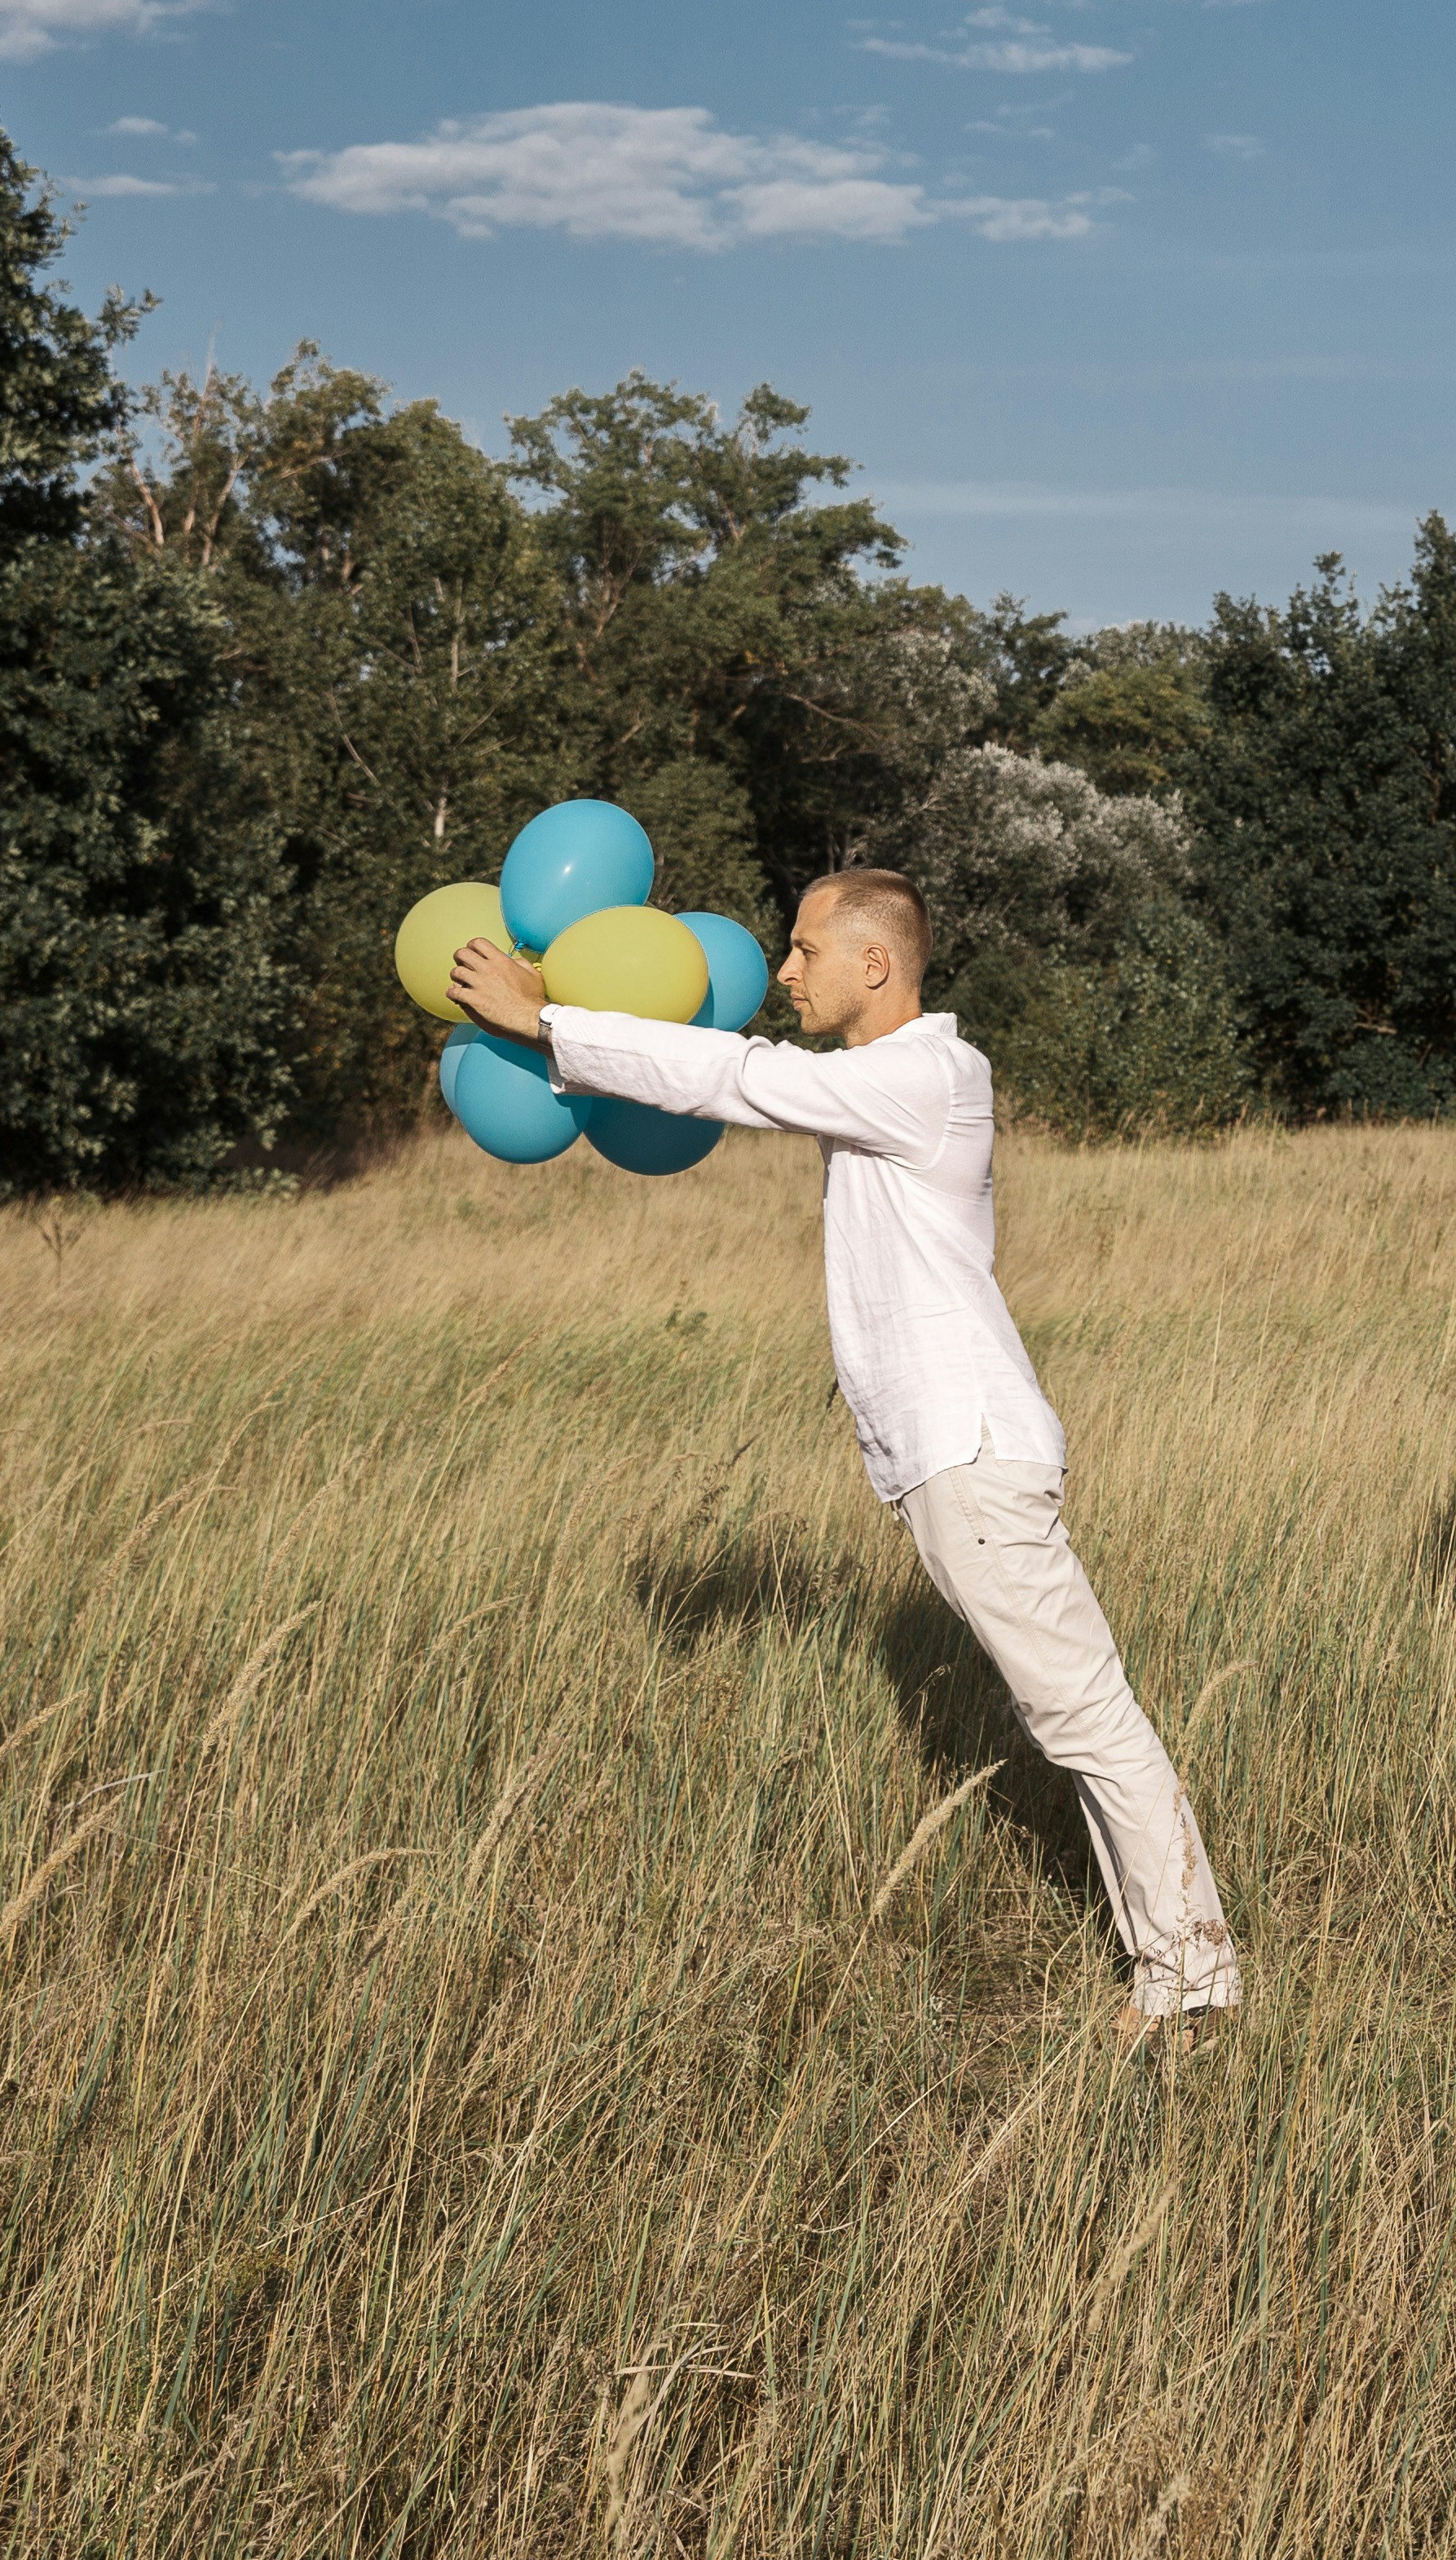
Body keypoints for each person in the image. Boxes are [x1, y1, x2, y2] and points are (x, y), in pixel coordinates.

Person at [449, 870, 1242, 2035]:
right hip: (951, 1459)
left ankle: (1192, 1979)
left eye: (805, 947)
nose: (783, 971)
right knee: (1073, 1715)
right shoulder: (890, 1084)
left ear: (875, 964)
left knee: (1085, 1718)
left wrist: (548, 1021)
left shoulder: (926, 1075)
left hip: (971, 1450)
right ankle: (1183, 1970)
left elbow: (739, 1077)